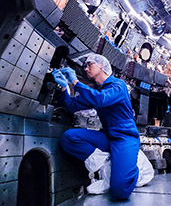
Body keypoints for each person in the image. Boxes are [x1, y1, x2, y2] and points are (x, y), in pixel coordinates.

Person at [52, 54, 153, 200]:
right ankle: (110, 164)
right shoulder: (96, 91)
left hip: (125, 138)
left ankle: (134, 165)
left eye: (89, 65)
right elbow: (72, 105)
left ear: (101, 65)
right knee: (69, 138)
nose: (86, 68)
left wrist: (74, 81)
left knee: (119, 191)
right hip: (107, 136)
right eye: (85, 66)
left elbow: (100, 99)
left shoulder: (118, 86)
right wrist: (63, 87)